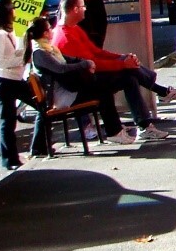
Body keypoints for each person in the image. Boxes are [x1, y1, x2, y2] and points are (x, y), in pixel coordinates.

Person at [53, 0, 166, 144]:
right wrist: (122, 63)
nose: (85, 9)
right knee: (127, 76)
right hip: (80, 86)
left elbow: (96, 52)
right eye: (82, 6)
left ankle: (145, 123)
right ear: (74, 10)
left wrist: (121, 56)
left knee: (130, 76)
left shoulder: (74, 28)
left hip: (88, 77)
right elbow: (92, 63)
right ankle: (156, 96)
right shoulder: (65, 37)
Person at [22, 14, 117, 155]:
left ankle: (114, 131)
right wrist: (83, 64)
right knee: (104, 92)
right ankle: (114, 132)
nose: (52, 31)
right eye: (49, 28)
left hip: (66, 91)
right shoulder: (40, 53)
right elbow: (60, 68)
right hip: (62, 97)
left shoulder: (49, 48)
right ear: (44, 33)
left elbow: (68, 59)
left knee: (102, 88)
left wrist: (85, 62)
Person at [0, 0, 35, 170]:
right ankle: (9, 159)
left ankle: (31, 149)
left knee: (38, 105)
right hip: (5, 80)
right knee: (7, 120)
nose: (15, 11)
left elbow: (15, 54)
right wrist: (21, 58)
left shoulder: (8, 31)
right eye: (12, 8)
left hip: (14, 78)